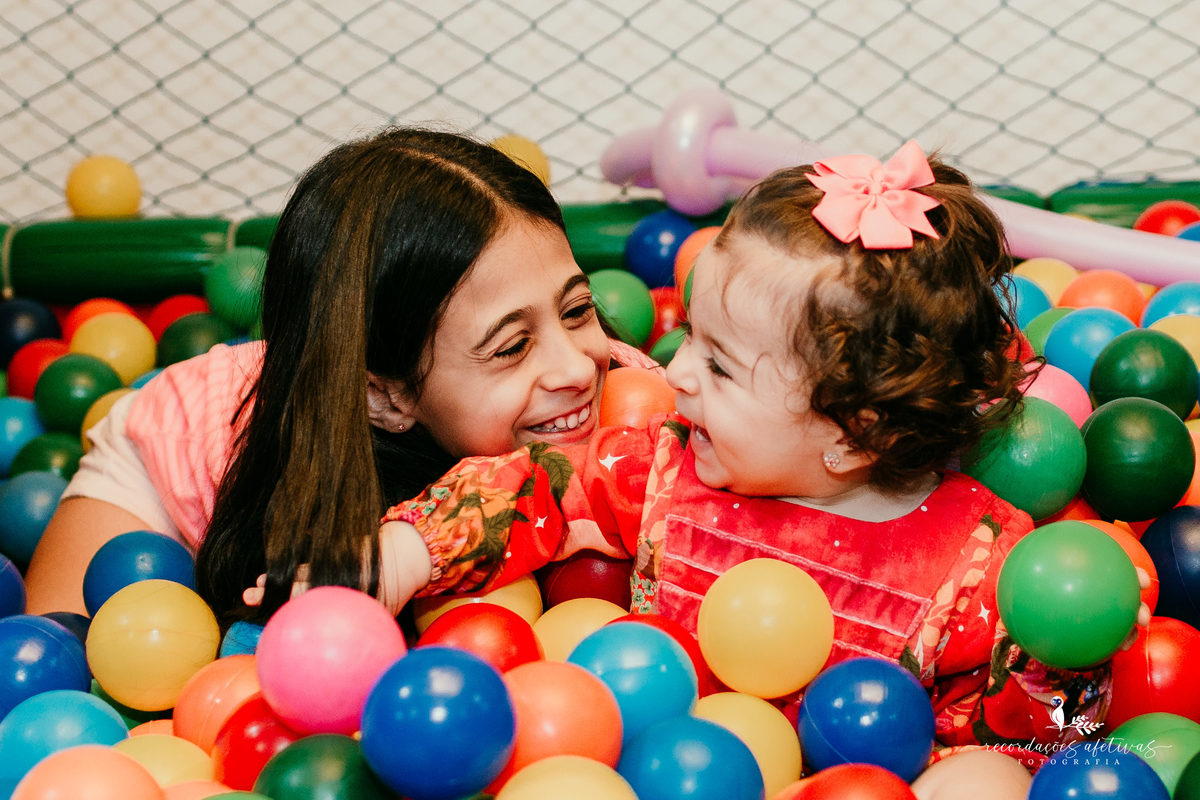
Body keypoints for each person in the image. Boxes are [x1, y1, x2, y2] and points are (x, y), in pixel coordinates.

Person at [357, 141, 1148, 748]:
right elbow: (540, 488)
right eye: (691, 337)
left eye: (720, 365)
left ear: (854, 433)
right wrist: (404, 552)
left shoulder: (975, 572)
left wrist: (1062, 659)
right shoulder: (660, 473)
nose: (676, 373)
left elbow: (1027, 743)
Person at [23, 125, 658, 622]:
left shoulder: (644, 405)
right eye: (512, 347)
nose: (577, 367)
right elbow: (49, 676)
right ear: (385, 396)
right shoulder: (196, 436)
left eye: (576, 309)